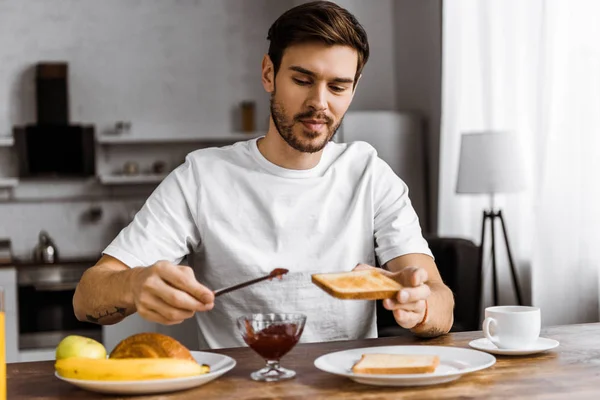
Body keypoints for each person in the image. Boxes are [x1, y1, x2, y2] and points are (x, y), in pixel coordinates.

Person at [73, 0, 454, 349]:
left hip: (347, 385)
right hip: (237, 388)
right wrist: (134, 284)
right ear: (269, 74)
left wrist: (419, 306)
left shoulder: (370, 173)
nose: (319, 103)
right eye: (303, 80)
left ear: (353, 90)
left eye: (337, 86)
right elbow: (87, 297)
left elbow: (439, 299)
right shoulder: (202, 177)